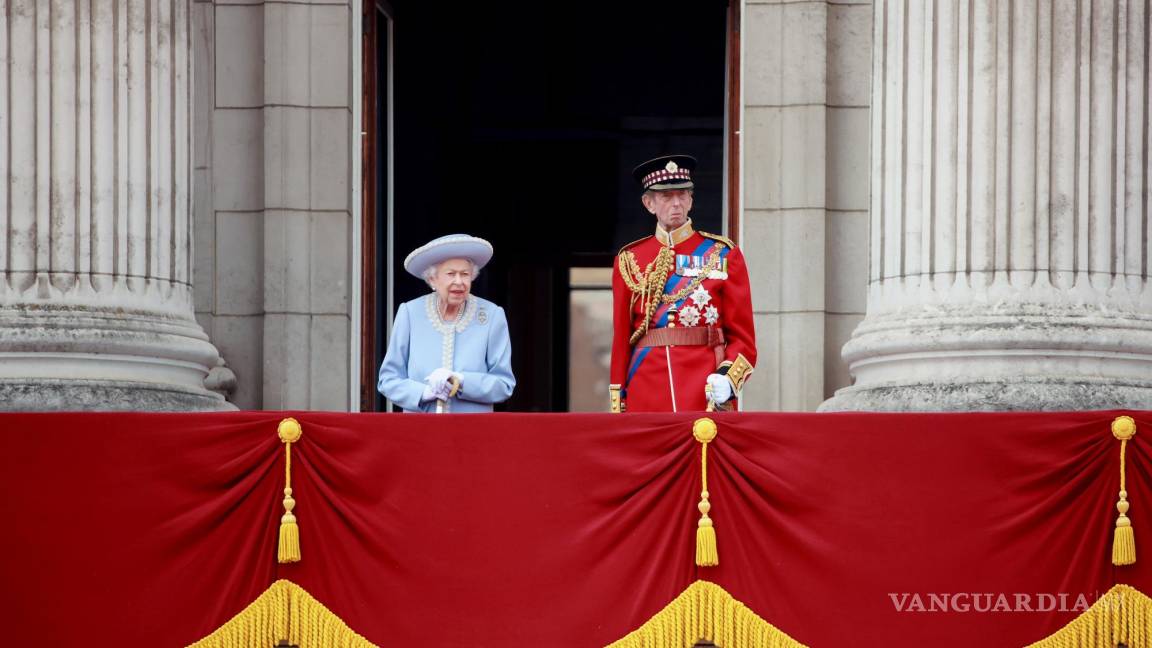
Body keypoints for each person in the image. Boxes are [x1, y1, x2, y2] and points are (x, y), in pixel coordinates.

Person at [609, 155, 756, 413]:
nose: (676, 203)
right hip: (646, 388)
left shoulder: (722, 254)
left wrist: (729, 379)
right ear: (649, 203)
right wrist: (618, 400)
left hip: (704, 386)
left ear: (691, 200)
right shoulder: (630, 260)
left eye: (683, 194)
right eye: (666, 196)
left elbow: (744, 338)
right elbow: (622, 340)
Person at [378, 234, 515, 412]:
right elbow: (388, 380)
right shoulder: (410, 313)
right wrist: (423, 393)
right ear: (432, 279)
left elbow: (504, 385)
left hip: (472, 431)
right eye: (451, 274)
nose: (459, 282)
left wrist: (461, 380)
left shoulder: (491, 315)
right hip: (419, 430)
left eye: (465, 274)